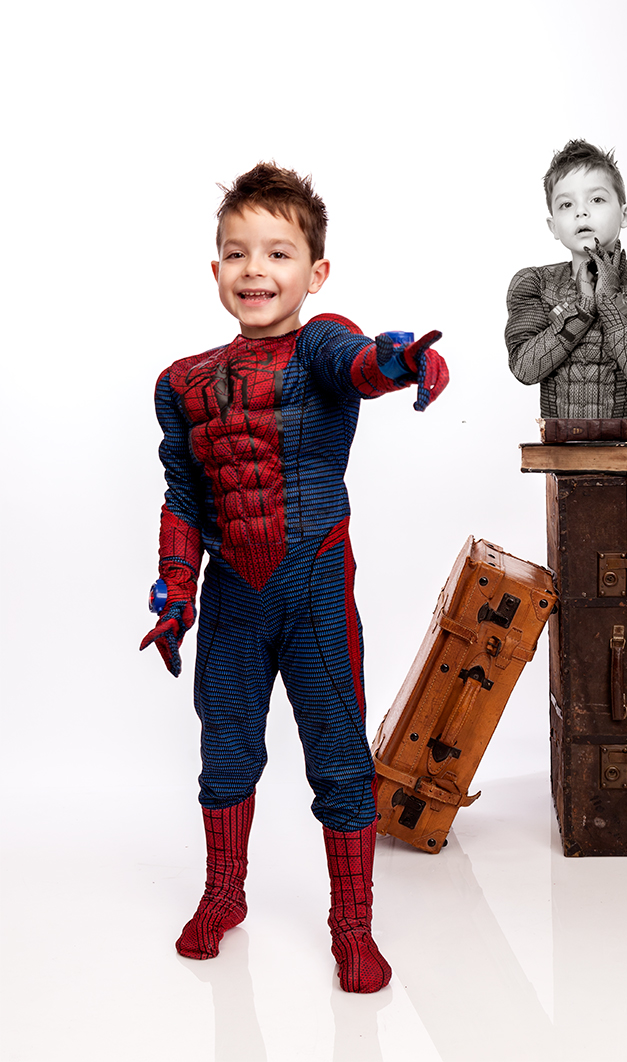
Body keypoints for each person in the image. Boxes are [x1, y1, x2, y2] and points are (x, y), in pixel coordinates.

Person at [140, 162, 448, 993]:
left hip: (311, 590)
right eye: (237, 254)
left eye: (278, 254)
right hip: (233, 601)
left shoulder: (318, 343)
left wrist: (401, 360)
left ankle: (352, 925)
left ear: (313, 273)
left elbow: (359, 364)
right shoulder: (181, 383)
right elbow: (184, 496)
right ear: (215, 272)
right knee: (225, 755)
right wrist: (173, 595)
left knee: (341, 761)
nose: (255, 271)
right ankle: (223, 892)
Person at [505, 140, 627, 419]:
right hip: (558, 457)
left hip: (626, 453)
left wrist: (609, 303)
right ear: (553, 227)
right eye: (565, 204)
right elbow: (525, 369)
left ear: (625, 215)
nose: (580, 212)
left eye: (596, 199)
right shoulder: (534, 284)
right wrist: (583, 308)